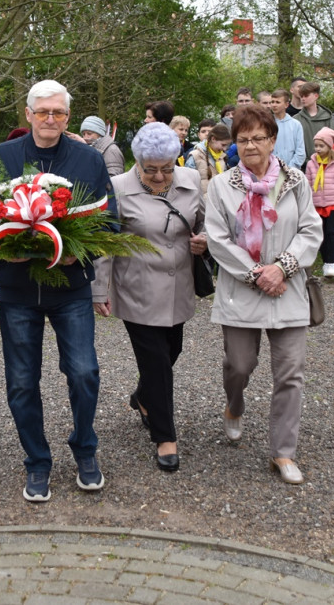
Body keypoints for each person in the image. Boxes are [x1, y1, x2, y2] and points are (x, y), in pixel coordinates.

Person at [0, 80, 114, 503]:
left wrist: (80, 252)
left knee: (84, 372)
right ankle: (37, 461)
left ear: (68, 117)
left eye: (58, 113)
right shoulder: (1, 159)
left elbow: (109, 224)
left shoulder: (89, 160)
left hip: (70, 286)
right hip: (18, 289)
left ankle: (85, 447)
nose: (50, 119)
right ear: (28, 114)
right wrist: (5, 249)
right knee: (21, 382)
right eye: (43, 112)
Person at [204, 103, 322, 485]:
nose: (251, 144)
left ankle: (283, 452)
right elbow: (218, 241)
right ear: (235, 143)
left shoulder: (295, 180)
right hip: (242, 289)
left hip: (287, 288)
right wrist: (257, 273)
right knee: (239, 365)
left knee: (290, 374)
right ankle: (234, 405)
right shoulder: (223, 185)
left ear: (273, 140)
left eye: (258, 137)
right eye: (243, 139)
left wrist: (282, 267)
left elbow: (310, 230)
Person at [92, 122, 207, 472]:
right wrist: (99, 289)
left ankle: (143, 398)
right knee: (156, 363)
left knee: (173, 350)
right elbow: (104, 243)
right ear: (137, 162)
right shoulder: (117, 189)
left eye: (167, 169)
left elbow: (205, 224)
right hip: (137, 287)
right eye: (151, 169)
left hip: (179, 286)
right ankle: (164, 435)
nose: (160, 177)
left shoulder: (189, 182)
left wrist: (205, 241)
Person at [305, 127, 334, 278]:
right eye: (316, 145)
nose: (318, 149)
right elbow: (308, 185)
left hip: (333, 204)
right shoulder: (311, 163)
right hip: (317, 205)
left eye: (321, 146)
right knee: (320, 234)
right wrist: (307, 205)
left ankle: (331, 263)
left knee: (331, 233)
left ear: (330, 146)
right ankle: (324, 262)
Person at [293, 81, 334, 164]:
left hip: (326, 164)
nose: (303, 99)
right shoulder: (296, 119)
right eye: (301, 96)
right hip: (304, 166)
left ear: (316, 96)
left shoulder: (327, 117)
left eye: (306, 96)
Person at [268, 89, 306, 169]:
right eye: (272, 102)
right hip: (270, 170)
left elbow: (300, 151)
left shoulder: (295, 125)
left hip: (291, 170)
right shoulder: (266, 124)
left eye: (277, 102)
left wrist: (289, 168)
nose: (274, 105)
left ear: (286, 105)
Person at [190, 124, 229, 193]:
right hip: (201, 202)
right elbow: (188, 182)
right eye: (223, 145)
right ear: (213, 139)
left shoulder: (222, 157)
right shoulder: (195, 155)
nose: (225, 149)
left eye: (227, 146)